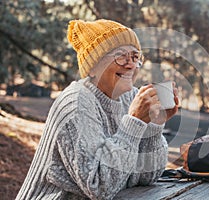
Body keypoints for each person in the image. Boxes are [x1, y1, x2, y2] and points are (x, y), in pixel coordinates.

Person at [16, 19, 179, 200]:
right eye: (121, 56)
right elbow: (100, 186)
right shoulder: (76, 103)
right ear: (93, 67)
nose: (131, 64)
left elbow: (147, 176)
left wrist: (154, 125)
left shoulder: (130, 97)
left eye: (135, 57)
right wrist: (134, 123)